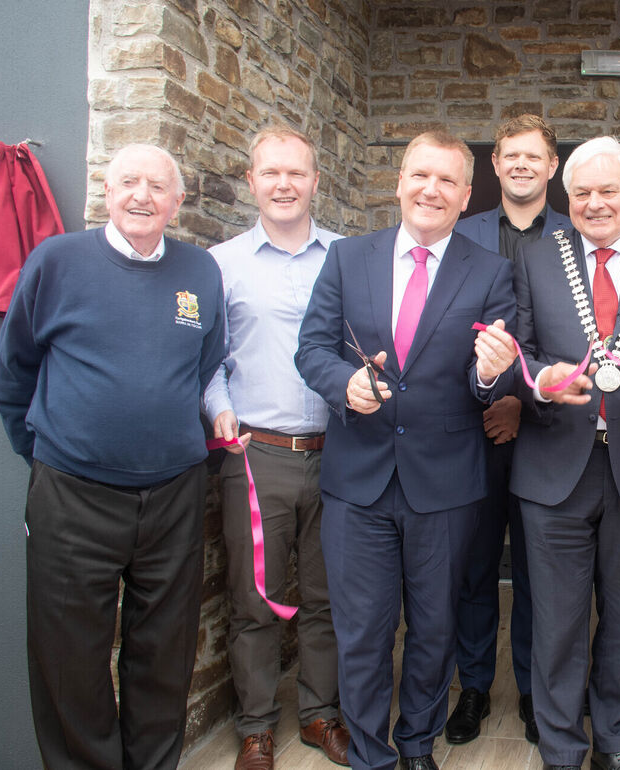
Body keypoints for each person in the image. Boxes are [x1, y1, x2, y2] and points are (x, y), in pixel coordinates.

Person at [477, 135, 620, 770]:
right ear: (567, 196)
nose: (594, 203)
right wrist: (538, 380)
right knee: (555, 623)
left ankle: (614, 744)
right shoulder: (532, 257)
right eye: (581, 192)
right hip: (553, 465)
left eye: (609, 190)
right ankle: (559, 749)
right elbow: (517, 354)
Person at [0, 143, 226, 770]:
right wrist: (51, 457)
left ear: (178, 201)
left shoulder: (201, 272)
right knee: (68, 659)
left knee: (165, 654)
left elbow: (203, 370)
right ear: (107, 189)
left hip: (174, 493)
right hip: (72, 494)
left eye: (157, 186)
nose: (142, 197)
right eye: (129, 182)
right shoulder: (56, 262)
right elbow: (14, 376)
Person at [294, 130, 516, 770]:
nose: (431, 190)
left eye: (448, 181)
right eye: (421, 175)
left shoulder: (492, 271)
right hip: (356, 478)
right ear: (398, 182)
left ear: (467, 196)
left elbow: (493, 380)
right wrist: (345, 384)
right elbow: (312, 349)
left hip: (445, 482)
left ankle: (416, 744)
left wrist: (491, 372)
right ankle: (370, 754)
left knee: (434, 627)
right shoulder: (347, 259)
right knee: (361, 631)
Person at [201, 125, 348, 770]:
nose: (284, 185)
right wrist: (220, 409)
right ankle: (257, 726)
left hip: (343, 454)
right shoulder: (220, 264)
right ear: (252, 180)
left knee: (328, 596)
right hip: (256, 455)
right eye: (271, 173)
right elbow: (206, 360)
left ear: (317, 181)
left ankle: (320, 715)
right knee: (253, 600)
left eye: (297, 173)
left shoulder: (347, 258)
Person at [449, 114, 570, 746]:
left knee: (538, 572)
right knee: (472, 568)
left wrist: (523, 403)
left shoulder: (579, 237)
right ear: (494, 166)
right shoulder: (460, 234)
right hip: (467, 436)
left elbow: (581, 341)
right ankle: (472, 686)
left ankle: (533, 689)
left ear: (553, 167)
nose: (521, 165)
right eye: (509, 156)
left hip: (548, 435)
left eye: (534, 156)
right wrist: (487, 399)